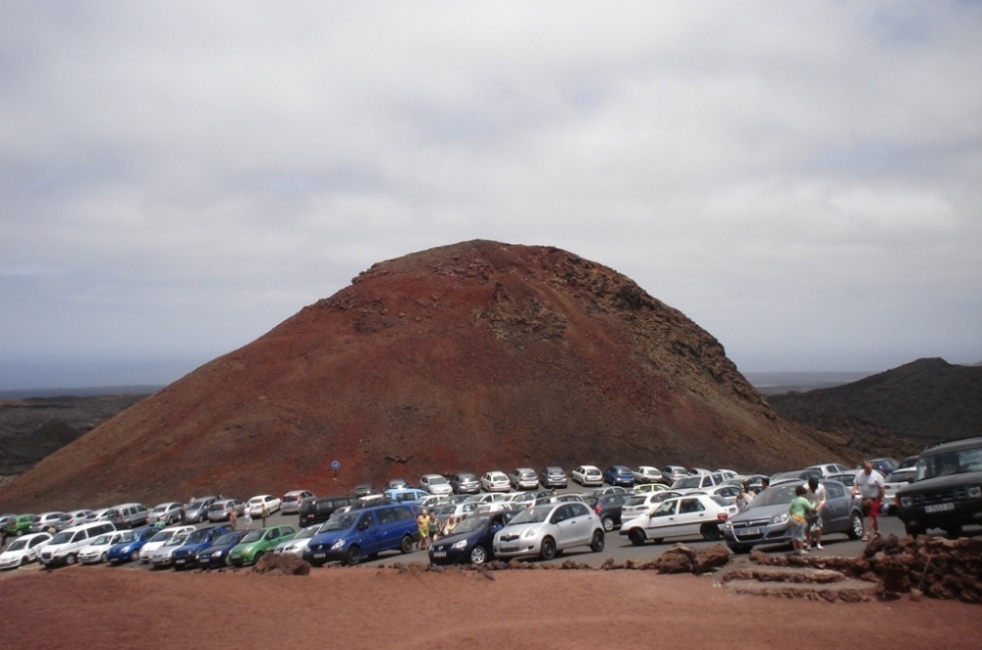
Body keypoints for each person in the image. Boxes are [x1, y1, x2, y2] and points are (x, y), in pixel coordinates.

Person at [852, 460, 885, 541]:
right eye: (867, 468)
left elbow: (882, 488)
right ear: (864, 468)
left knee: (872, 515)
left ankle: (868, 533)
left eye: (870, 467)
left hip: (876, 497)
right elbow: (855, 484)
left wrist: (882, 498)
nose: (869, 469)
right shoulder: (859, 474)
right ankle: (877, 531)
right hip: (865, 499)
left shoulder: (876, 476)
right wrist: (854, 491)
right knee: (873, 516)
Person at [788, 485, 816, 555]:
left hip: (792, 519)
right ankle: (801, 550)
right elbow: (811, 508)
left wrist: (793, 514)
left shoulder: (793, 500)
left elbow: (789, 510)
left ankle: (795, 549)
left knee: (794, 535)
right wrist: (814, 503)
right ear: (803, 493)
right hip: (800, 519)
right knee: (800, 535)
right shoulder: (803, 500)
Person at [805, 476, 827, 550]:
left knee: (818, 527)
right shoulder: (805, 488)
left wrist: (819, 508)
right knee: (808, 528)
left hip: (817, 508)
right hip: (807, 509)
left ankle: (818, 543)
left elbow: (823, 499)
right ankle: (808, 544)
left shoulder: (821, 487)